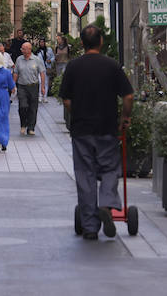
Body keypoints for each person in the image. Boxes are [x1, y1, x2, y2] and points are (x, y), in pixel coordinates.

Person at [59, 24, 133, 240]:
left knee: (85, 175)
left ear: (81, 43)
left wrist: (78, 112)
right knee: (110, 169)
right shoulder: (111, 66)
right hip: (107, 128)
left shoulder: (73, 66)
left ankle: (90, 227)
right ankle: (108, 204)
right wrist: (125, 118)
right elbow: (128, 96)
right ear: (101, 42)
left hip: (81, 130)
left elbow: (66, 99)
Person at [14, 41, 44, 136]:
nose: (22, 50)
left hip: (33, 86)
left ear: (29, 50)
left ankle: (31, 127)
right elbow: (15, 72)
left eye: (23, 49)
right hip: (22, 86)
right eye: (22, 48)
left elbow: (42, 73)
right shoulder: (19, 59)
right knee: (23, 106)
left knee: (33, 107)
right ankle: (23, 124)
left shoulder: (37, 59)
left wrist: (43, 87)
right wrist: (13, 85)